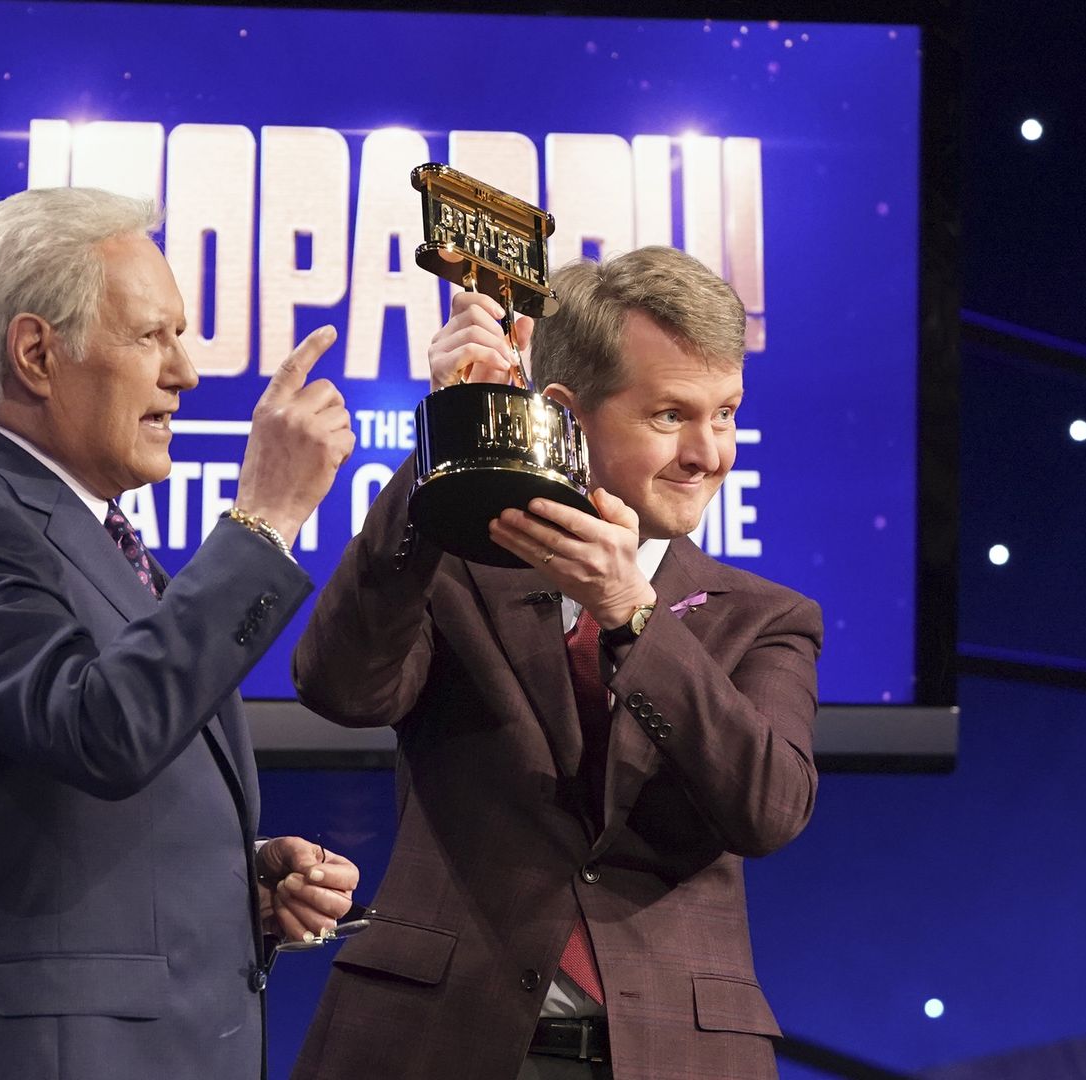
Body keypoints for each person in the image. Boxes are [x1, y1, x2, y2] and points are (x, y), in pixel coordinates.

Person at [0, 186, 360, 1080]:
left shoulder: (94, 536)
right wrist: (266, 519)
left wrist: (232, 879)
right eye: (151, 336)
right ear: (38, 353)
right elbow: (102, 730)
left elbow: (72, 788)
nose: (185, 373)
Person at [289, 245, 823, 1080]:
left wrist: (633, 616)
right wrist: (448, 440)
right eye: (669, 416)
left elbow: (768, 809)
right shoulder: (457, 572)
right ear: (567, 415)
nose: (708, 452)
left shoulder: (767, 621)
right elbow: (339, 685)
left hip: (671, 1056)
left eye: (724, 414)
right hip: (430, 1043)